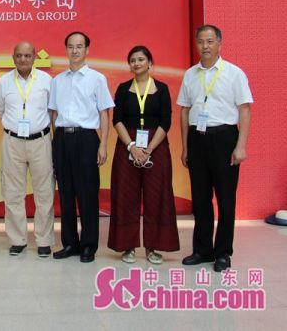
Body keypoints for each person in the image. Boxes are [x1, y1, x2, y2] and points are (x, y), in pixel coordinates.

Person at [178, 24, 252, 272]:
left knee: (226, 198)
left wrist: (240, 146)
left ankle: (223, 253)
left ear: (219, 43)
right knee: (200, 199)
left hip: (224, 138)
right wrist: (185, 146)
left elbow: (245, 110)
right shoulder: (190, 74)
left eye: (210, 41)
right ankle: (202, 250)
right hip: (197, 139)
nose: (205, 46)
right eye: (201, 41)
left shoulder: (234, 73)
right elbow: (184, 111)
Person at [108, 46, 179, 264]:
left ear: (149, 62)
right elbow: (117, 120)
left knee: (157, 196)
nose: (136, 63)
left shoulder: (162, 89)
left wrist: (149, 149)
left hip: (156, 146)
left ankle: (153, 247)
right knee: (125, 195)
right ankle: (127, 246)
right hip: (127, 145)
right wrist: (132, 146)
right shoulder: (123, 89)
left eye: (141, 59)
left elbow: (166, 121)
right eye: (132, 60)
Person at [49, 31, 114, 263]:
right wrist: (57, 141)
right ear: (66, 49)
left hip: (87, 139)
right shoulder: (57, 80)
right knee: (66, 193)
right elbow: (53, 113)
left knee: (87, 194)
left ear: (87, 49)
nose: (74, 50)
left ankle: (88, 245)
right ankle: (69, 243)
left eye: (79, 46)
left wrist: (103, 145)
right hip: (62, 139)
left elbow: (105, 113)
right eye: (70, 46)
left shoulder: (97, 79)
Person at [0, 42, 54, 257]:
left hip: (41, 140)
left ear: (35, 57)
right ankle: (17, 239)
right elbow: (1, 111)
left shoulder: (47, 80)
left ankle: (44, 240)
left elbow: (52, 111)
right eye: (18, 55)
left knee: (44, 192)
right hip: (12, 141)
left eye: (27, 55)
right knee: (12, 192)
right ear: (13, 58)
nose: (22, 59)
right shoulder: (3, 82)